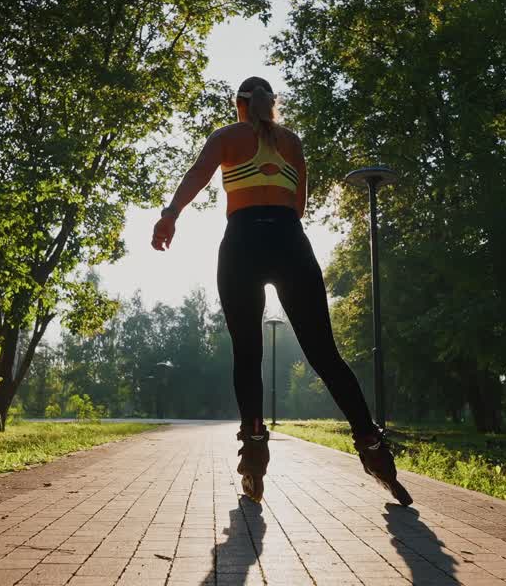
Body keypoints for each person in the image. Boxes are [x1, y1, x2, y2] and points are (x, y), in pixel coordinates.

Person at [151, 76, 412, 506]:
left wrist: (170, 214)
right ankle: (371, 443)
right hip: (291, 242)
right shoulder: (292, 142)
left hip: (242, 243)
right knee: (325, 355)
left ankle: (254, 446)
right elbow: (299, 206)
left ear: (239, 105)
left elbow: (197, 174)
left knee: (247, 352)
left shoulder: (226, 137)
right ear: (272, 104)